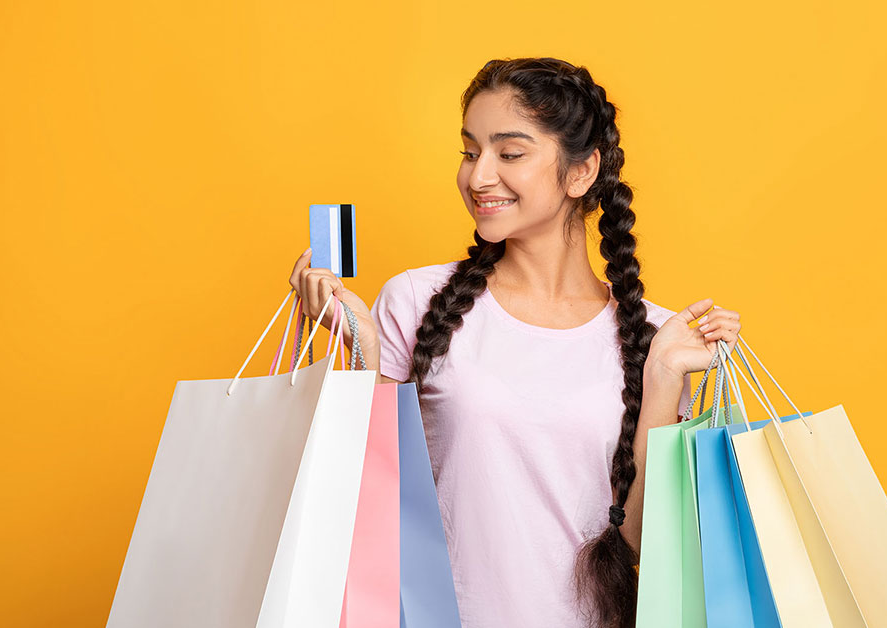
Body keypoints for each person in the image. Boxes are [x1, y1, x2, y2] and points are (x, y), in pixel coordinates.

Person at [288, 57, 741, 628]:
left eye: (510, 153)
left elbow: (649, 550)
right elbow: (362, 502)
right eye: (470, 151)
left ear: (582, 172)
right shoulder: (415, 300)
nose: (479, 178)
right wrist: (363, 351)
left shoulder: (654, 337)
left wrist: (664, 380)